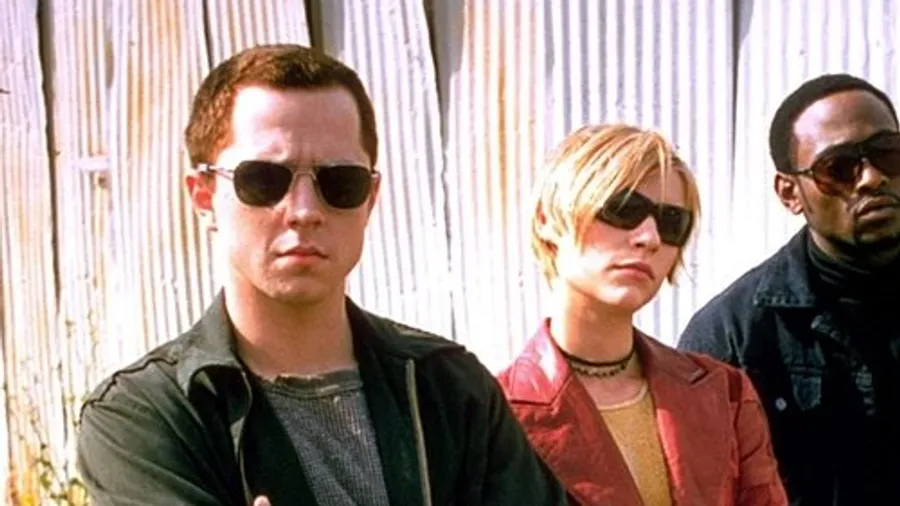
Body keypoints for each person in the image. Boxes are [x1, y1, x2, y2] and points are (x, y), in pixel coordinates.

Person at [75, 44, 568, 506]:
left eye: (340, 182)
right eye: (263, 180)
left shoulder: (451, 389)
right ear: (204, 197)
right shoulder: (146, 417)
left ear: (370, 199)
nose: (305, 211)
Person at [497, 123, 788, 505]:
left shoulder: (725, 393)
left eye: (671, 223)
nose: (649, 237)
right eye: (624, 209)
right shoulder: (495, 412)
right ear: (546, 221)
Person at [677, 73, 900, 505]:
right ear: (789, 193)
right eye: (839, 168)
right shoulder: (732, 338)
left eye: (888, 153)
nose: (872, 178)